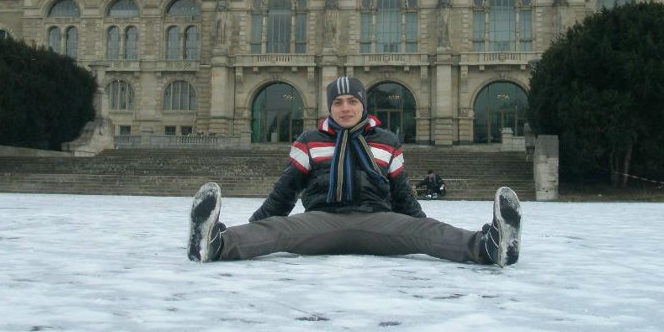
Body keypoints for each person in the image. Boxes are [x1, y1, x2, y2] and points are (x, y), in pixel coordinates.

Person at [187, 76, 521, 267]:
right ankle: (214, 242)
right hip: (321, 221)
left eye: (351, 101)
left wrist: (417, 223)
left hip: (377, 220)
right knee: (277, 230)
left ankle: (490, 246)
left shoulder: (387, 142)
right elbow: (284, 194)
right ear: (330, 107)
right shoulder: (310, 140)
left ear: (363, 105)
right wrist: (255, 227)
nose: (345, 108)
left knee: (428, 232)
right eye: (338, 102)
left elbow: (403, 197)